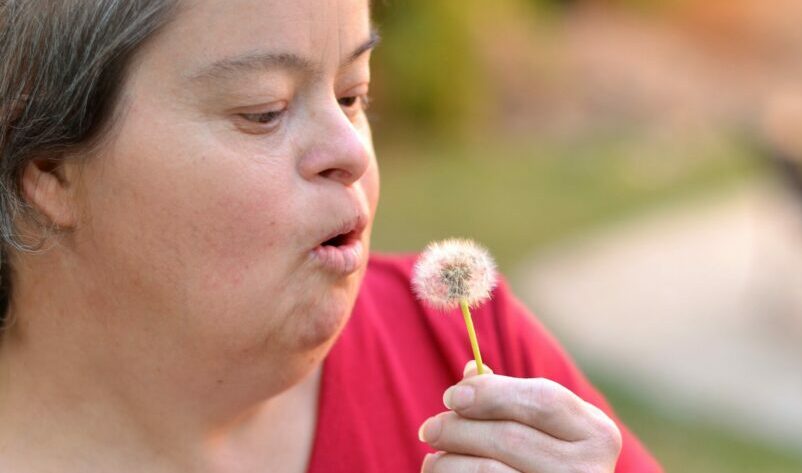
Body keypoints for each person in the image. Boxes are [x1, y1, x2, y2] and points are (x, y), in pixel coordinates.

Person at [0, 1, 663, 472]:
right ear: (49, 167)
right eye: (264, 110)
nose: (350, 149)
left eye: (352, 94)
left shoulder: (471, 354)